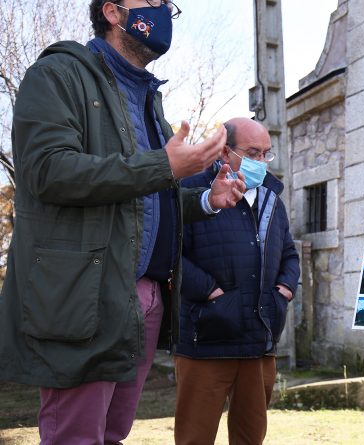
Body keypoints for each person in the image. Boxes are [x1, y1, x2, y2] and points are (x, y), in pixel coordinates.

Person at [0, 1, 246, 443]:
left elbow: (144, 201)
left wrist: (207, 199)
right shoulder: (58, 75)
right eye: (151, 1)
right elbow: (47, 171)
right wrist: (164, 167)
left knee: (113, 433)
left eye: (168, 5)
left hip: (147, 298)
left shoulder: (150, 99)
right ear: (112, 12)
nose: (163, 11)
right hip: (86, 293)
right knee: (76, 436)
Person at [174, 117, 300, 445]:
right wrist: (211, 293)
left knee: (250, 436)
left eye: (266, 154)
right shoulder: (191, 189)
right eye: (253, 152)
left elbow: (289, 254)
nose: (261, 161)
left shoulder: (273, 199)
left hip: (259, 340)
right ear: (225, 151)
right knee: (194, 438)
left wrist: (283, 292)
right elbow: (169, 255)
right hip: (206, 340)